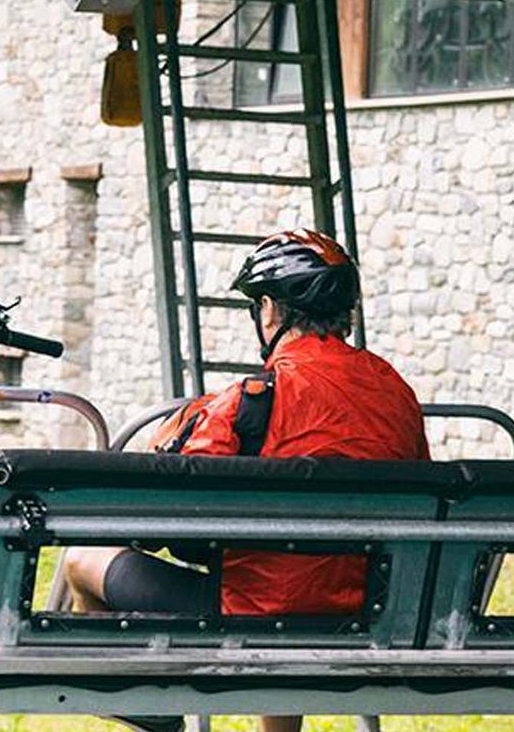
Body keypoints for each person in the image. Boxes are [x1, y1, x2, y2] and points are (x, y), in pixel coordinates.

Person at [64, 230, 428, 732]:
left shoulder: (252, 401)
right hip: (368, 609)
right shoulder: (396, 393)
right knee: (292, 586)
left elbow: (165, 514)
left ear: (270, 310)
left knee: (82, 560)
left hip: (253, 616)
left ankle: (126, 693)